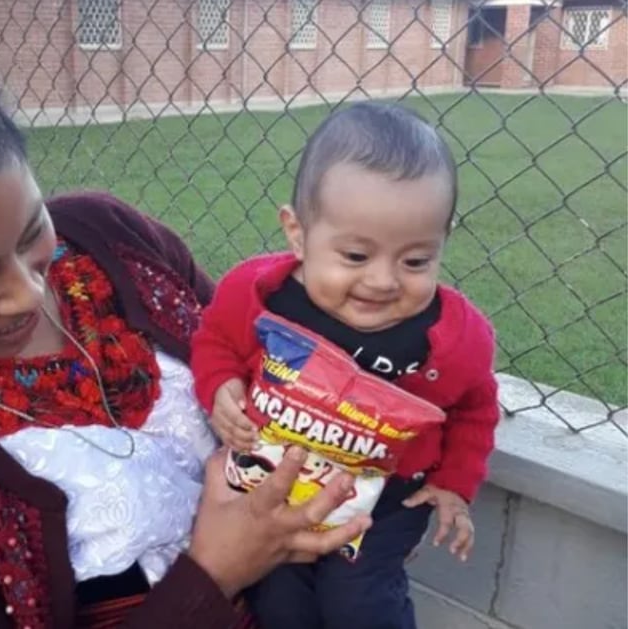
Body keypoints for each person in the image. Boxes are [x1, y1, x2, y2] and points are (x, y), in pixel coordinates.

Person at [0, 27, 371, 629]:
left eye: (31, 230)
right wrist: (217, 572)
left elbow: (256, 366)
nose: (26, 293)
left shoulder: (114, 237)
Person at [190, 102, 500, 629]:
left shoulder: (455, 338)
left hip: (387, 497)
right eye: (356, 256)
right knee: (280, 597)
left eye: (416, 261)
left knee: (358, 601)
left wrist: (454, 484)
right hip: (282, 477)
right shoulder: (260, 293)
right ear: (298, 234)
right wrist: (220, 385)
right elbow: (214, 339)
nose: (382, 281)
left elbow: (476, 406)